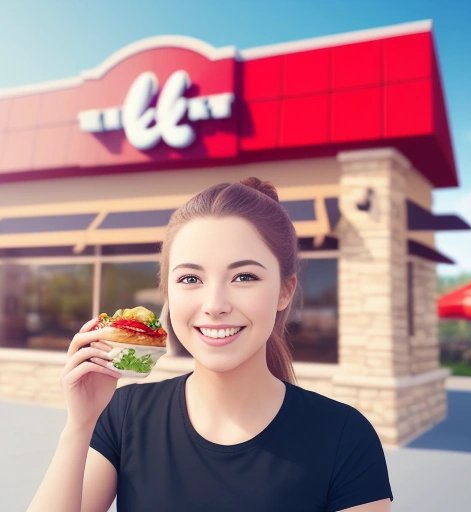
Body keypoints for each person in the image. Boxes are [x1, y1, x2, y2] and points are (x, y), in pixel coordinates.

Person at [28, 177, 394, 512]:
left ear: (285, 290)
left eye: (244, 276)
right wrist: (80, 424)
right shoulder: (126, 414)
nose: (215, 303)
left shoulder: (344, 437)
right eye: (190, 278)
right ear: (167, 291)